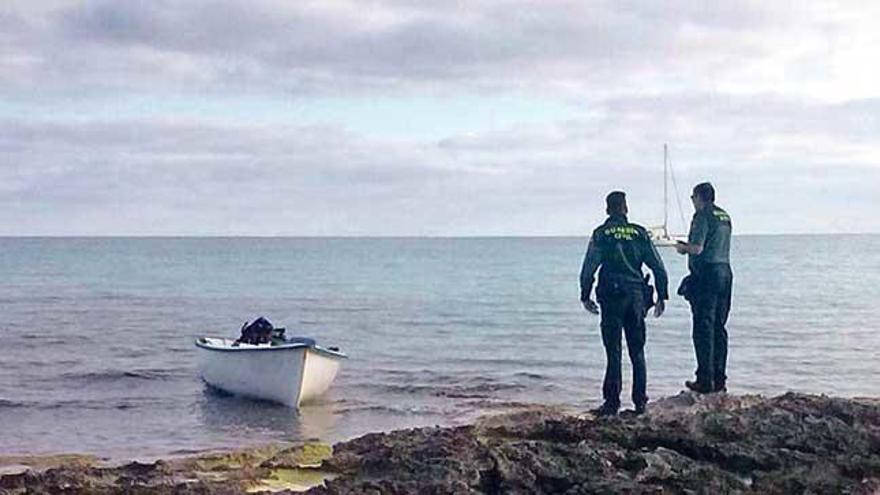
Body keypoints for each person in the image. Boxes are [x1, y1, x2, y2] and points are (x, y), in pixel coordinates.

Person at [580, 191, 669, 416]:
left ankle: (612, 403)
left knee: (613, 351)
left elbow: (589, 267)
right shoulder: (639, 233)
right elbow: (658, 267)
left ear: (607, 209)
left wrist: (585, 295)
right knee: (637, 350)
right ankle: (640, 403)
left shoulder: (601, 234)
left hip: (611, 297)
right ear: (626, 208)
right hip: (636, 296)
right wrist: (662, 295)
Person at [675, 182, 733, 393]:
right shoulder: (724, 216)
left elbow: (697, 248)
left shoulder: (702, 216)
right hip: (725, 272)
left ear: (699, 197)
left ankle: (704, 380)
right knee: (719, 327)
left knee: (703, 328)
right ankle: (720, 379)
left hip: (707, 274)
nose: (692, 201)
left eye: (693, 197)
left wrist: (683, 248)